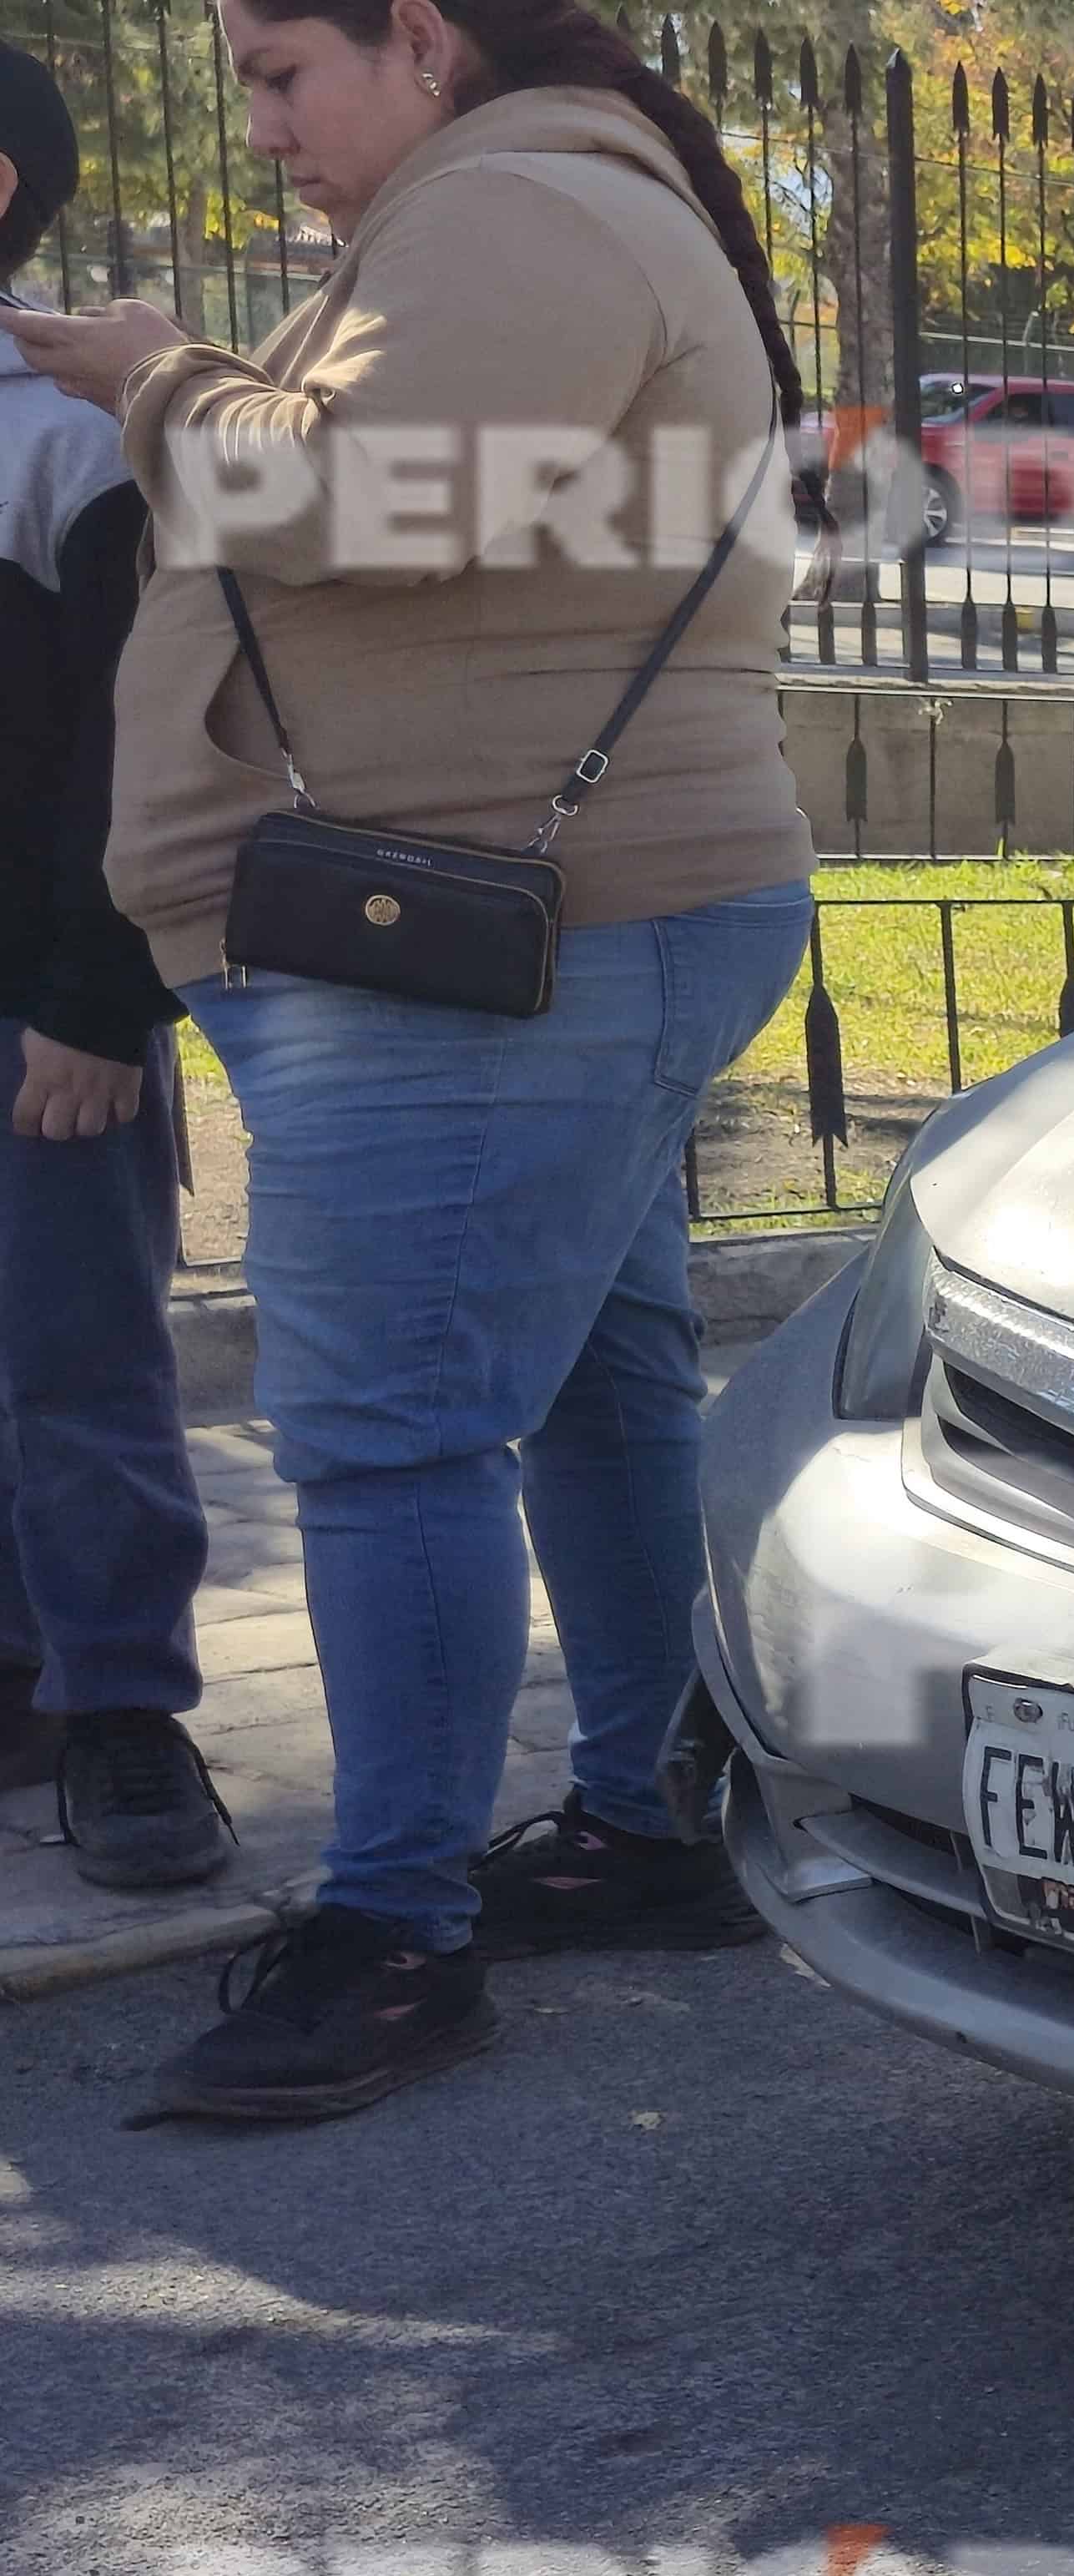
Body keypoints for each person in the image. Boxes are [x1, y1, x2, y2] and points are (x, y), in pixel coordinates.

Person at [3, 0, 814, 2124]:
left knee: (389, 1438)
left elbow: (365, 503)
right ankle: (643, 1820)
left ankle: (396, 1934)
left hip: (470, 949)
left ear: (425, 41)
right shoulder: (524, 200)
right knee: (600, 1378)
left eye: (285, 74)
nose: (263, 123)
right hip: (513, 931)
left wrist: (155, 370)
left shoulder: (521, 210)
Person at [0, 45, 233, 1898]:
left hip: (36, 1004)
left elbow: (134, 750)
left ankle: (127, 1717)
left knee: (76, 1358)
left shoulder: (67, 432)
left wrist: (97, 1001)